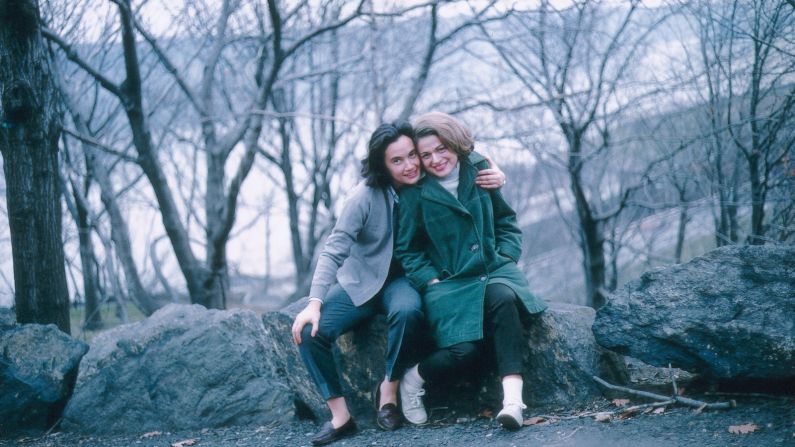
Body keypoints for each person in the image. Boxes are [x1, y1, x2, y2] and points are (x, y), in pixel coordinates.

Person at [291, 120, 506, 446]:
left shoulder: (430, 181)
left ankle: (389, 388)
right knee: (309, 333)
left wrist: (497, 172)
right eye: (397, 160)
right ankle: (340, 417)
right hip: (362, 284)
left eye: (412, 155)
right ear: (382, 165)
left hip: (405, 281)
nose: (410, 166)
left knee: (407, 311)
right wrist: (314, 303)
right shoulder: (363, 198)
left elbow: (459, 151)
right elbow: (334, 249)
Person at [395, 112, 547, 431]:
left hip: (493, 271)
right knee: (463, 351)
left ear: (454, 144)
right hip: (450, 284)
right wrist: (430, 280)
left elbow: (506, 220)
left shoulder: (478, 169)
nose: (436, 159)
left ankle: (513, 402)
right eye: (426, 155)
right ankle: (412, 379)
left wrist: (506, 253)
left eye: (442, 149)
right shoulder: (414, 193)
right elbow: (409, 249)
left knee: (504, 300)